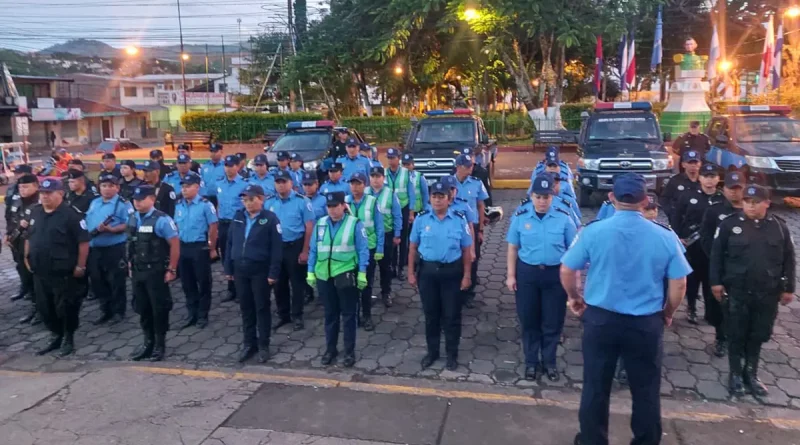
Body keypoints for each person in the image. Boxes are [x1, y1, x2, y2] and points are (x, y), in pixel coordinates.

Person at [560, 172, 692, 445]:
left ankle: (592, 440)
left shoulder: (593, 231)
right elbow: (679, 284)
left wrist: (574, 297)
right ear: (645, 200)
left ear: (611, 198)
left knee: (596, 386)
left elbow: (567, 269)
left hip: (600, 321)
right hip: (645, 323)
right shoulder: (664, 236)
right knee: (645, 389)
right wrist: (668, 312)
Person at [710, 184, 795, 397]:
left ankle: (752, 373)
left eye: (756, 202)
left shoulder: (779, 227)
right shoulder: (729, 225)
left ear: (767, 203)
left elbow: (789, 259)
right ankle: (735, 374)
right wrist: (716, 283)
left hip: (767, 293)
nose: (751, 206)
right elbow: (717, 255)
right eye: (747, 201)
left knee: (758, 334)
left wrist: (789, 289)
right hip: (737, 291)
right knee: (736, 333)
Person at [507, 173, 577, 381]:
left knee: (552, 321)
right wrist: (511, 275)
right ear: (531, 196)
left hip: (555, 275)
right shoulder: (520, 216)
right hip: (527, 273)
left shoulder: (564, 216)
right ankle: (531, 362)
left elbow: (573, 250)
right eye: (538, 197)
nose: (542, 201)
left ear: (552, 196)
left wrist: (574, 280)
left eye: (546, 197)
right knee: (529, 320)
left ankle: (549, 362)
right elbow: (513, 247)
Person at [408, 181, 473, 371]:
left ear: (449, 198)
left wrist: (467, 275)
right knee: (431, 315)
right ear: (430, 198)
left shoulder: (459, 219)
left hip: (452, 272)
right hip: (427, 273)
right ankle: (433, 352)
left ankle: (452, 354)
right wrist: (411, 273)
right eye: (434, 196)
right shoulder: (421, 219)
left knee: (452, 316)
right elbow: (412, 247)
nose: (437, 200)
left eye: (441, 196)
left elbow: (466, 249)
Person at [25, 178, 90, 357]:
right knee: (45, 307)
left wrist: (80, 266)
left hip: (63, 272)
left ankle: (68, 337)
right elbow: (30, 237)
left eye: (49, 193)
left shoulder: (71, 215)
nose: (45, 196)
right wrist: (26, 256)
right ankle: (56, 334)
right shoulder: (36, 212)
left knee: (66, 307)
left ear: (60, 193)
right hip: (40, 271)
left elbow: (83, 243)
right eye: (42, 193)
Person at [307, 191, 370, 367]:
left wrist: (362, 273)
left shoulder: (355, 224)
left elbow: (362, 250)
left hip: (345, 274)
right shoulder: (320, 224)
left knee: (349, 316)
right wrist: (310, 271)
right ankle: (331, 350)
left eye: (335, 206)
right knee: (330, 315)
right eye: (329, 206)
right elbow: (314, 249)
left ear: (343, 205)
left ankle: (349, 352)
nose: (332, 210)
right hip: (324, 276)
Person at [224, 184, 282, 363]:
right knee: (246, 308)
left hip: (260, 270)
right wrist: (228, 267)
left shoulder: (270, 219)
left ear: (261, 199)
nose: (247, 203)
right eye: (245, 200)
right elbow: (230, 243)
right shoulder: (238, 217)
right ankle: (249, 343)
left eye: (251, 199)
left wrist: (273, 272)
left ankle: (264, 344)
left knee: (262, 307)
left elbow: (276, 248)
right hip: (240, 269)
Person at [127, 185, 180, 362]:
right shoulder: (133, 218)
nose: (137, 203)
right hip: (138, 271)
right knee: (142, 308)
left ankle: (160, 344)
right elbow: (132, 244)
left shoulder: (162, 219)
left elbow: (174, 245)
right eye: (135, 200)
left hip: (156, 272)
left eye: (141, 199)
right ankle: (147, 342)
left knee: (159, 308)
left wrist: (172, 269)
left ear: (151, 199)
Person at [672, 163, 724, 326]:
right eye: (706, 176)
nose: (709, 180)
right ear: (699, 178)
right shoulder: (688, 196)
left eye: (712, 177)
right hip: (691, 245)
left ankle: (711, 312)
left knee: (711, 280)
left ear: (718, 179)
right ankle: (692, 307)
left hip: (714, 248)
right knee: (692, 280)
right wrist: (677, 236)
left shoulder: (722, 199)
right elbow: (676, 217)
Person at [265, 170, 315, 331]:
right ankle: (283, 315)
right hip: (276, 248)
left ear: (291, 183)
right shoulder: (269, 202)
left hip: (295, 246)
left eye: (284, 182)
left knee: (297, 283)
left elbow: (309, 227)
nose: (281, 185)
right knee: (279, 284)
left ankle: (297, 315)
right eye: (278, 182)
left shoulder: (302, 201)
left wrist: (305, 250)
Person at [85, 174, 133, 325]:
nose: (106, 189)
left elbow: (130, 224)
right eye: (104, 186)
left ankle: (119, 311)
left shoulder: (123, 204)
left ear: (117, 187)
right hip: (94, 247)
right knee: (98, 280)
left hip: (114, 247)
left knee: (116, 280)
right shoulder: (95, 202)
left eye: (110, 186)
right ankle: (105, 310)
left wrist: (111, 230)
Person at [175, 172, 218, 330]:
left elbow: (213, 227)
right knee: (187, 282)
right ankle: (191, 313)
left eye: (188, 186)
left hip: (199, 247)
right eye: (183, 186)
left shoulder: (205, 204)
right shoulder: (179, 204)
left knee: (203, 281)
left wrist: (212, 247)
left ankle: (202, 314)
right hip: (183, 246)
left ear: (197, 187)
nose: (184, 189)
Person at [345, 172, 385, 331]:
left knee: (366, 284)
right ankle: (353, 315)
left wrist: (380, 248)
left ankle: (366, 315)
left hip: (368, 247)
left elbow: (379, 226)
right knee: (351, 285)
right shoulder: (345, 202)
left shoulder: (372, 201)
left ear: (365, 185)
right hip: (349, 250)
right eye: (352, 183)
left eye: (358, 183)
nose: (355, 187)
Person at [453, 154, 488, 307]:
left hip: (471, 226)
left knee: (473, 259)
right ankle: (455, 290)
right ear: (458, 167)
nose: (471, 168)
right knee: (455, 259)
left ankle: (469, 293)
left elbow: (481, 206)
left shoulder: (476, 183)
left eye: (472, 165)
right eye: (467, 166)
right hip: (453, 227)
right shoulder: (448, 183)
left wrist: (480, 229)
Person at [216, 154, 249, 302]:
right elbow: (219, 204)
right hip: (223, 224)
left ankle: (241, 288)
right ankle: (231, 288)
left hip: (236, 224)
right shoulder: (220, 184)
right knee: (226, 256)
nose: (229, 169)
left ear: (238, 167)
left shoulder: (244, 185)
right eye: (226, 166)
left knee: (237, 256)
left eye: (232, 166)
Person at [6, 174, 39, 325]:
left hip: (34, 247)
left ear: (36, 186)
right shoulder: (17, 199)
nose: (22, 190)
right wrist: (8, 234)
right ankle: (34, 306)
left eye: (26, 186)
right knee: (26, 277)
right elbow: (10, 218)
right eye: (20, 187)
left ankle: (41, 310)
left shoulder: (40, 202)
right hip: (18, 245)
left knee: (38, 280)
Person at [366, 166, 402, 307]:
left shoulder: (390, 194)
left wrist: (397, 234)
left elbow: (397, 215)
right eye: (373, 176)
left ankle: (386, 292)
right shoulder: (364, 194)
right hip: (369, 236)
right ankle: (367, 295)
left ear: (383, 178)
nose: (375, 180)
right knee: (368, 267)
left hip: (386, 235)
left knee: (385, 266)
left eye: (378, 176)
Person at [385, 148, 416, 280]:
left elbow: (411, 193)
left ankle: (400, 269)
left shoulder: (405, 173)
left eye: (393, 158)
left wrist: (411, 212)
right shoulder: (384, 173)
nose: (391, 160)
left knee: (403, 240)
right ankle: (391, 267)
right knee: (392, 239)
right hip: (389, 210)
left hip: (403, 208)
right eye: (389, 158)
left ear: (399, 158)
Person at [659, 150, 702, 225]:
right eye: (690, 163)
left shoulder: (704, 181)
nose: (693, 165)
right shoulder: (675, 181)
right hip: (679, 221)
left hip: (699, 221)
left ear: (700, 164)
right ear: (683, 164)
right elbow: (664, 198)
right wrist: (671, 213)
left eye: (695, 162)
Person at [201, 143, 226, 207]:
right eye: (211, 151)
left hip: (220, 197)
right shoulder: (205, 166)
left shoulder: (226, 166)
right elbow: (201, 181)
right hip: (207, 197)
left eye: (215, 151)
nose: (213, 154)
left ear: (221, 151)